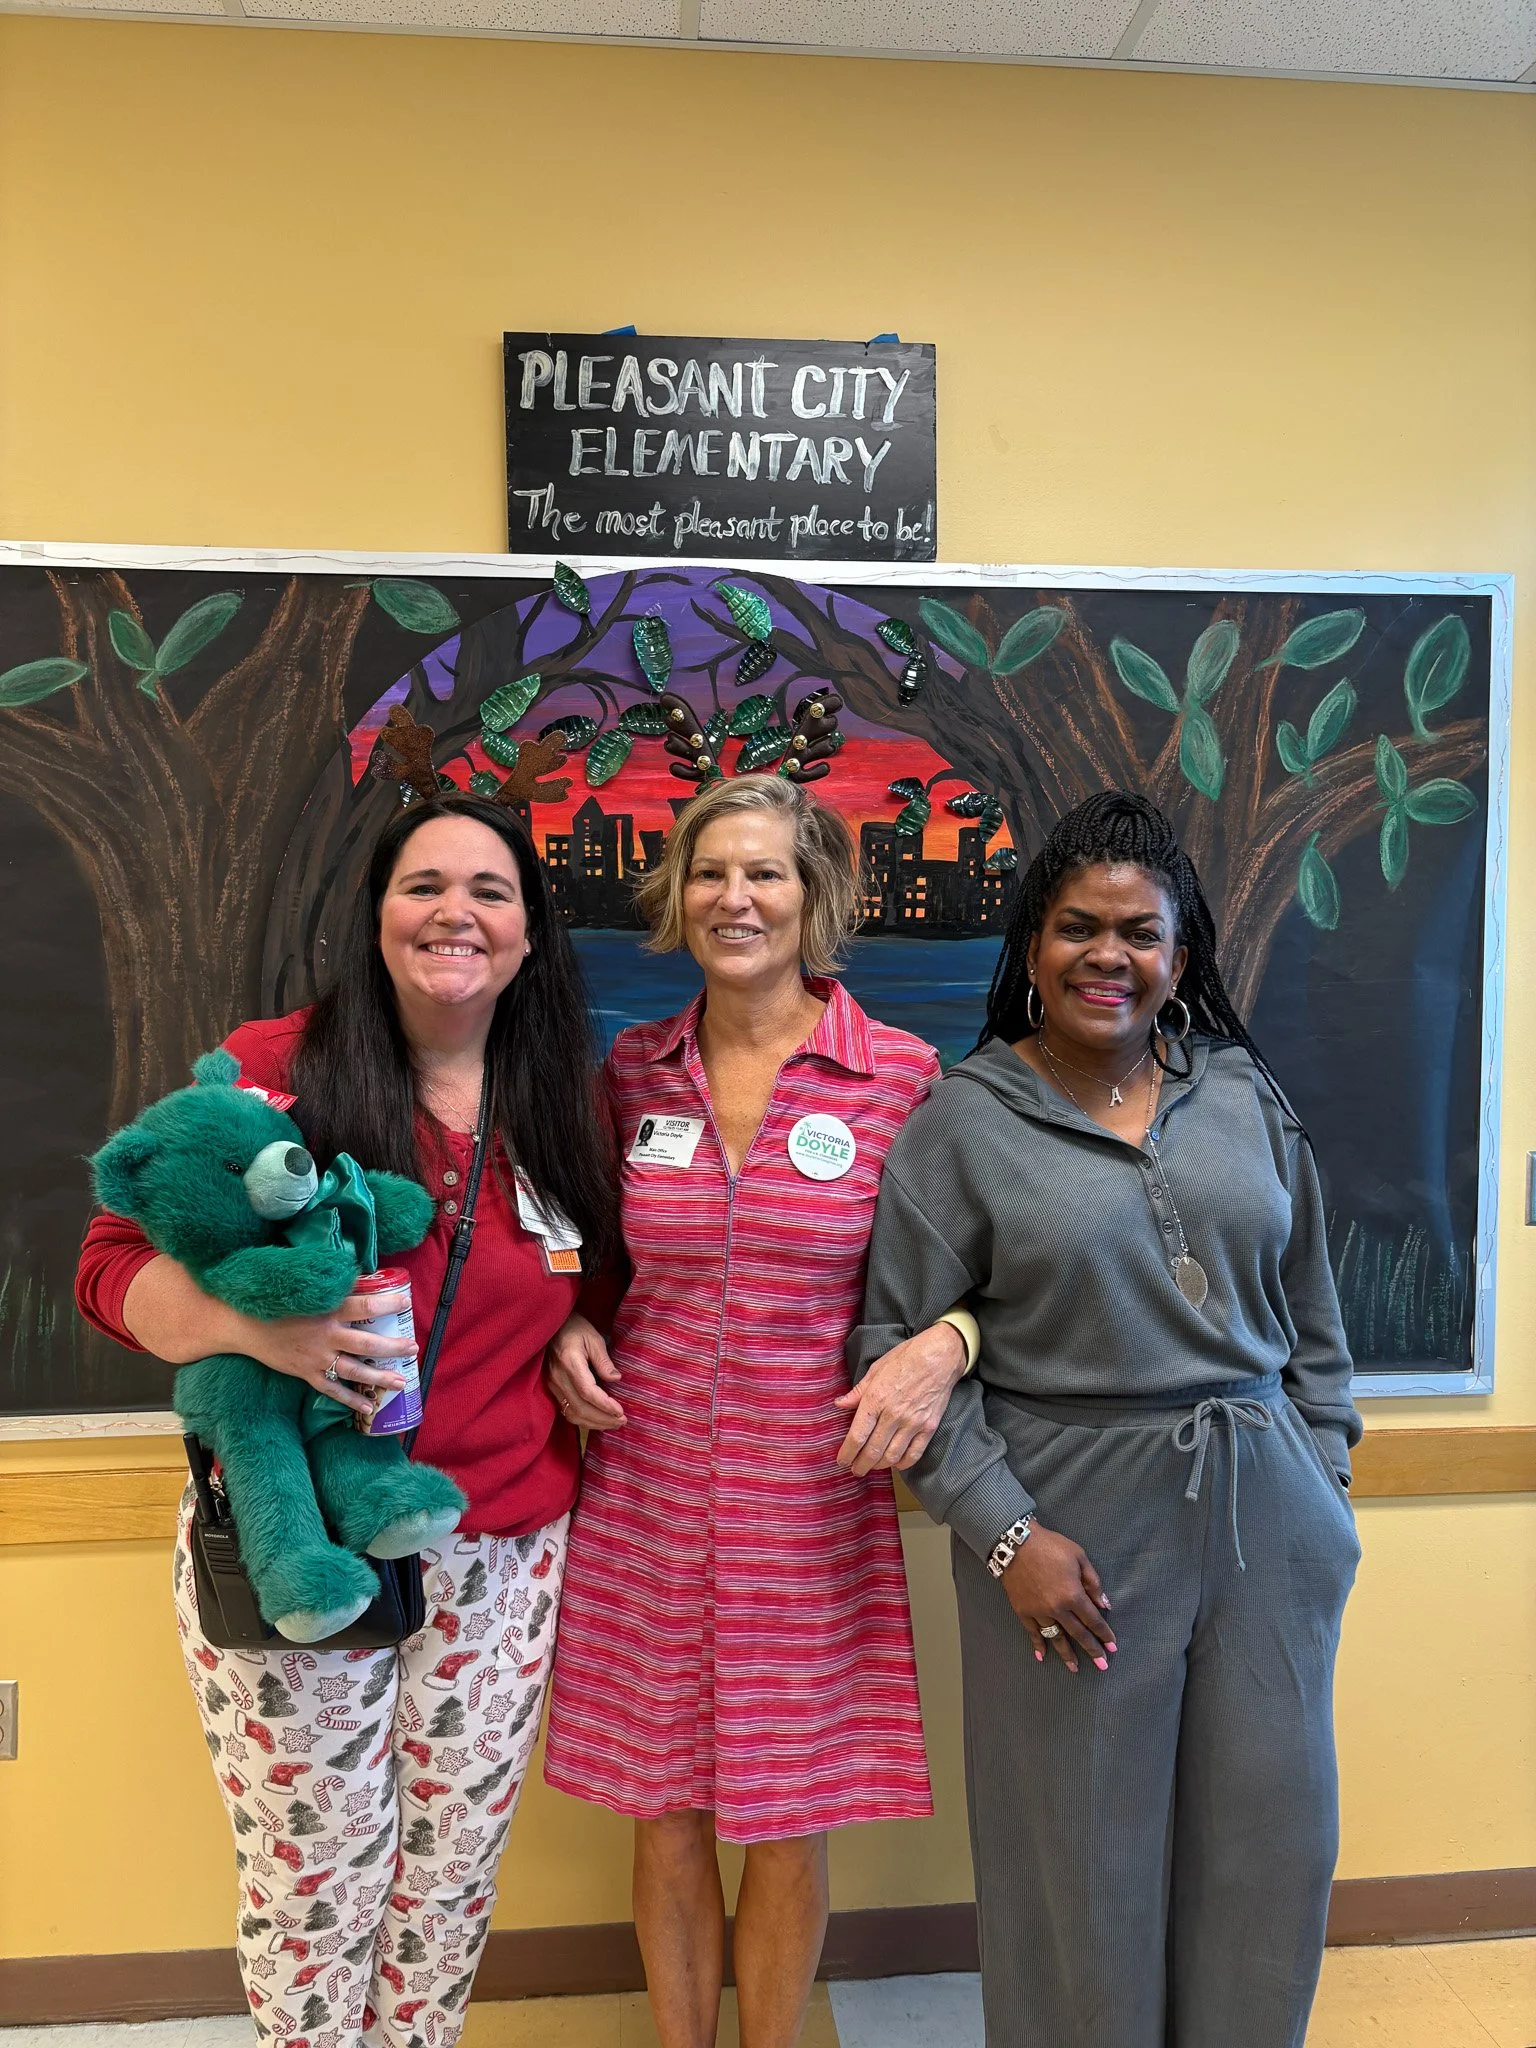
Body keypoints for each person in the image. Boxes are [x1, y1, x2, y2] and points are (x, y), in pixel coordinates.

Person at [75, 792, 616, 2048]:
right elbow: (111, 1261)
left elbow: (590, 1274)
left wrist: (579, 1322)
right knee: (318, 1884)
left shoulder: (559, 1097)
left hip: (500, 1553)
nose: (456, 913)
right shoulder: (277, 1067)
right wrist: (260, 1332)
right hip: (292, 1539)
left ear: (530, 932)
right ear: (378, 916)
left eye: (490, 891)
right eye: (424, 884)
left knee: (446, 1883)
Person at [850, 789, 1363, 2048]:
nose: (1109, 954)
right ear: (1031, 945)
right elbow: (895, 1347)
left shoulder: (1244, 1095)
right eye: (1079, 926)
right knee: (1080, 1867)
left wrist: (1326, 1485)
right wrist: (1008, 1536)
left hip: (1267, 1527)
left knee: (1267, 1860)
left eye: (1140, 931)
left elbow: (1313, 1314)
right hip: (1065, 1536)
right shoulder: (964, 1122)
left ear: (1179, 956)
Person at [541, 772, 975, 2048]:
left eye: (767, 871)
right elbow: (575, 1252)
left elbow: (1003, 1264)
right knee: (663, 1809)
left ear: (817, 894)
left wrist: (947, 1343)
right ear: (678, 895)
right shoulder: (632, 1069)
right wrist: (567, 1318)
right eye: (712, 871)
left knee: (786, 1816)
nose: (738, 896)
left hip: (810, 1500)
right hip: (645, 1492)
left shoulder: (899, 1076)